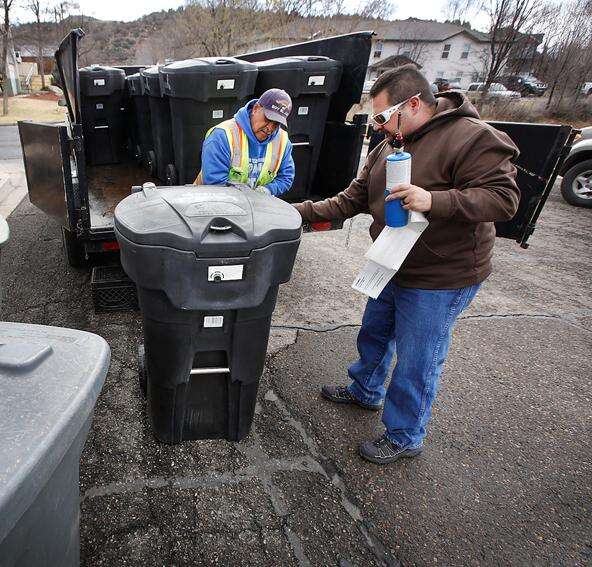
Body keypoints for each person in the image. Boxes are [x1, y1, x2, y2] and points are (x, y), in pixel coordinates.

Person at [293, 64, 520, 465]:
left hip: (441, 273)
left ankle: (405, 433)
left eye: (382, 116)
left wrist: (436, 200)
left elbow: (504, 200)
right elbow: (352, 199)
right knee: (376, 332)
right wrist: (292, 212)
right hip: (392, 262)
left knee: (418, 356)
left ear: (413, 103)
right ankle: (365, 390)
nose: (377, 126)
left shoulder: (473, 138)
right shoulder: (390, 144)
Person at [197, 88, 295, 196]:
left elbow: (286, 178)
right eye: (268, 119)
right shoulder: (222, 136)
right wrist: (249, 198)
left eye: (276, 123)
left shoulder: (282, 142)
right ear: (256, 109)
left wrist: (268, 190)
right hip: (210, 204)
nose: (270, 128)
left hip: (256, 206)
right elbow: (215, 185)